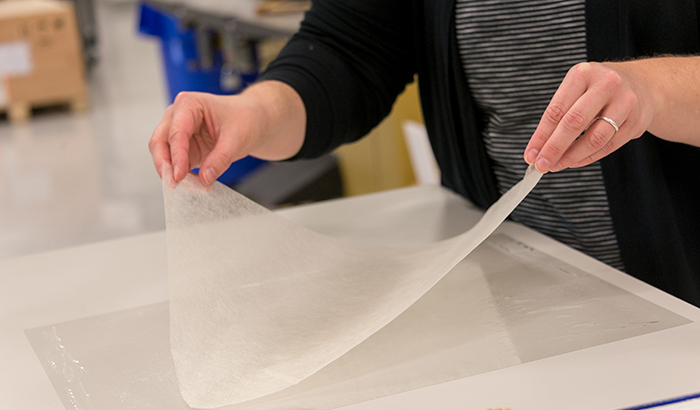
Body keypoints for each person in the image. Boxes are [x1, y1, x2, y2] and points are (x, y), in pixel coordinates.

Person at [149, 0, 700, 307]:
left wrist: (657, 89)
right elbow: (351, 48)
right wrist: (257, 112)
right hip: (523, 285)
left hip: (680, 297)